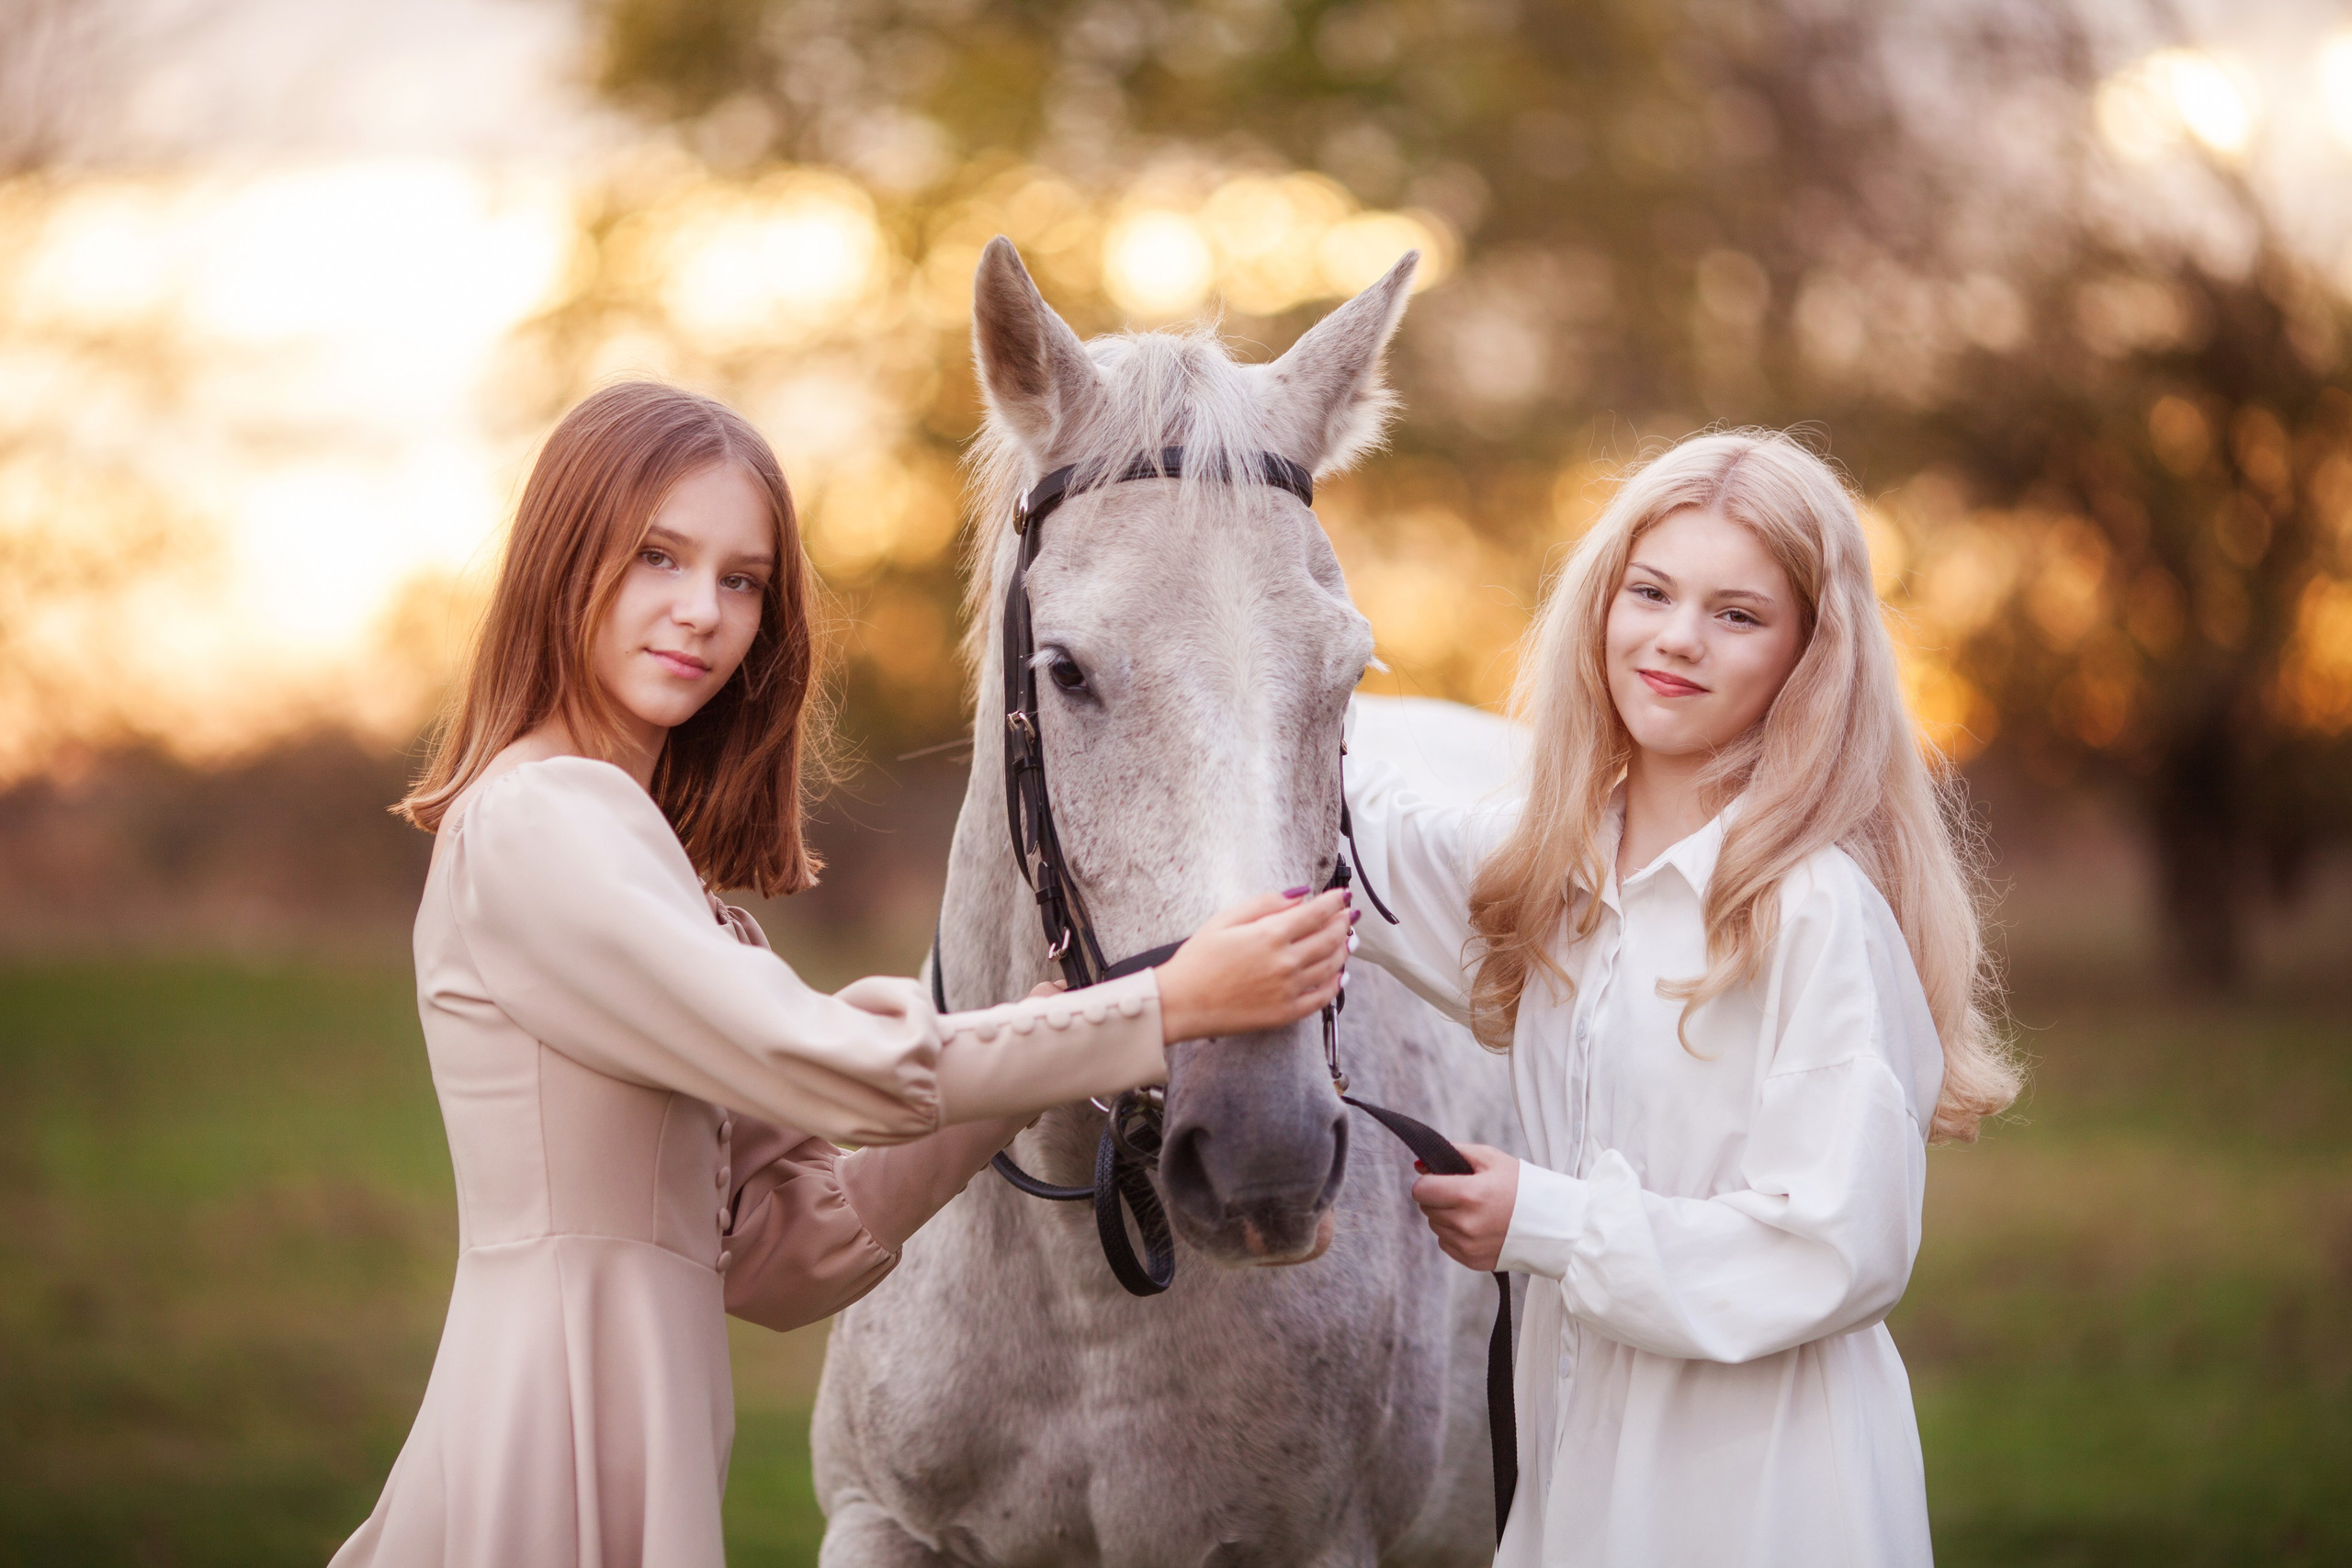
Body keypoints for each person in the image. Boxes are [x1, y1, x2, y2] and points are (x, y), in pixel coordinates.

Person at [329, 381, 1353, 1567]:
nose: (700, 611)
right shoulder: (536, 820)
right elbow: (827, 1069)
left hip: (643, 1434)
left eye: (742, 578)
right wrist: (1168, 1006)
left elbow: (782, 1250)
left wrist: (1031, 1066)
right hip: (540, 1431)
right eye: (657, 556)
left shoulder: (648, 864)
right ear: (564, 560)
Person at [1342, 431, 2020, 1566]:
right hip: (1577, 1471)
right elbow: (1352, 819)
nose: (1675, 639)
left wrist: (1543, 1223)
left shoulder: (1812, 912)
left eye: (1737, 614)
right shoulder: (1546, 877)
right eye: (1649, 592)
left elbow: (1833, 1248)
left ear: (1812, 653)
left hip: (1760, 1490)